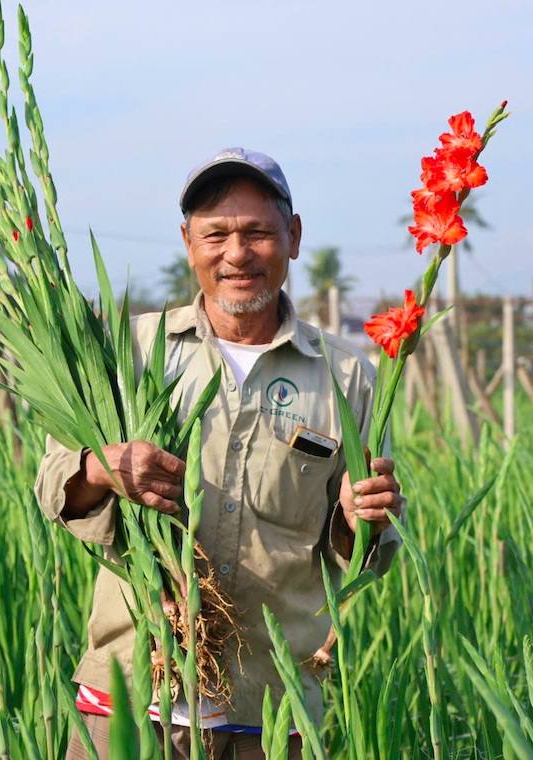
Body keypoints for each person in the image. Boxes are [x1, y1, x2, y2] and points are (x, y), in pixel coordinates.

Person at [35, 148, 406, 759]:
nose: (237, 253)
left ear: (293, 237)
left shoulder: (346, 376)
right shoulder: (127, 353)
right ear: (188, 242)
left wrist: (359, 518)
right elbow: (53, 481)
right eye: (217, 235)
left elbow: (364, 554)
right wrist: (101, 468)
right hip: (130, 695)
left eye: (258, 232)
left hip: (267, 707)